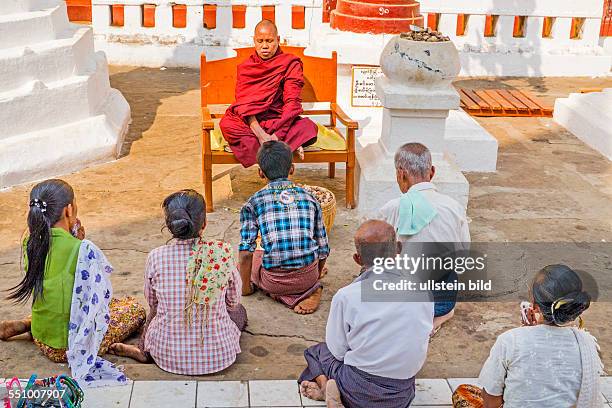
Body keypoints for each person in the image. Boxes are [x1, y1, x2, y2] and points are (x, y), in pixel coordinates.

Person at [0, 179, 145, 386]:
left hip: (43, 338)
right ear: (69, 210)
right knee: (134, 309)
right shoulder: (82, 249)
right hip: (66, 347)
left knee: (56, 299)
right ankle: (28, 324)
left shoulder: (29, 241)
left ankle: (28, 324)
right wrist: (79, 241)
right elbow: (95, 298)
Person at [109, 190, 247, 375]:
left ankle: (143, 350)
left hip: (166, 355)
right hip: (220, 357)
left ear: (169, 226)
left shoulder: (156, 257)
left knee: (155, 314)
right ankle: (221, 338)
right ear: (204, 223)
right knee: (240, 313)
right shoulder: (222, 253)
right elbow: (232, 301)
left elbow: (153, 303)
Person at [299, 220, 433, 408]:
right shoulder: (423, 289)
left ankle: (326, 387)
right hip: (401, 395)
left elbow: (337, 351)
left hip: (357, 390)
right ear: (399, 248)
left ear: (357, 259)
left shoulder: (347, 296)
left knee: (317, 353)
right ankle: (336, 390)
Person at [453, 264, 604, 408]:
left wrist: (527, 331)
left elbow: (491, 403)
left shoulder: (510, 340)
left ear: (535, 306)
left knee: (463, 392)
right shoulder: (587, 344)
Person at [376, 142, 471, 332]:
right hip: (441, 302)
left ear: (400, 174)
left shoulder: (391, 209)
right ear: (432, 172)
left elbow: (375, 256)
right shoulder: (453, 207)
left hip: (401, 301)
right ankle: (438, 316)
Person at [239, 141, 329, 314]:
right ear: (292, 169)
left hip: (274, 281)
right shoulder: (310, 198)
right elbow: (323, 248)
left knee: (248, 261)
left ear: (260, 173)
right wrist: (314, 276)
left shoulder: (253, 202)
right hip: (308, 276)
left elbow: (245, 254)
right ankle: (310, 289)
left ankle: (282, 295)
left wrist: (245, 289)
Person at [219, 19, 318, 167]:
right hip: (253, 124)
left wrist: (277, 135)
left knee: (308, 127)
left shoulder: (290, 64)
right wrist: (261, 135)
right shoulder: (247, 67)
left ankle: (268, 149)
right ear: (254, 41)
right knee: (227, 124)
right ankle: (285, 148)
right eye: (260, 41)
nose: (264, 46)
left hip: (279, 121)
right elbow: (244, 107)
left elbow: (292, 103)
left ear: (278, 40)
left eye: (269, 41)